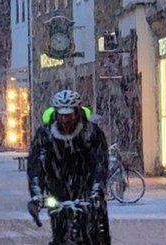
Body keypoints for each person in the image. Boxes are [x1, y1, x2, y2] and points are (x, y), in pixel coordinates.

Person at [28, 90, 110, 245]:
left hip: (86, 193)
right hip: (58, 193)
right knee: (59, 235)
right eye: (61, 115)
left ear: (77, 113)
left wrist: (96, 192)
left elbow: (100, 164)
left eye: (69, 115)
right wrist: (37, 195)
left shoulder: (91, 133)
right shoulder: (45, 135)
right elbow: (35, 167)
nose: (65, 120)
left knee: (95, 235)